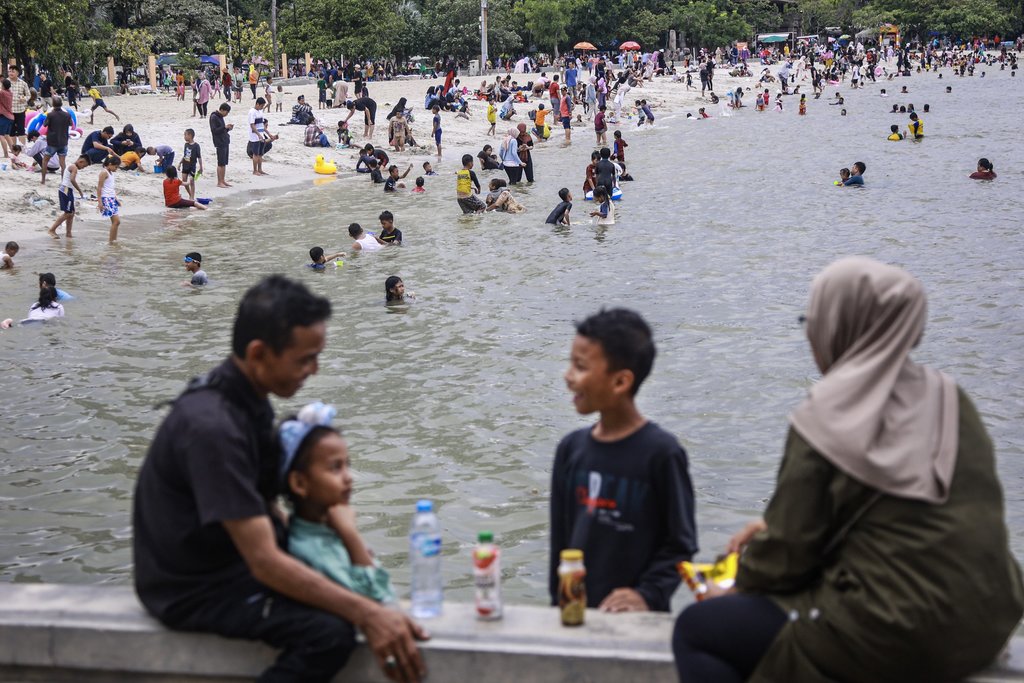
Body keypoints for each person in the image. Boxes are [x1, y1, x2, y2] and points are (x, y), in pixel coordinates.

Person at [673, 256, 1024, 683]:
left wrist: (733, 587)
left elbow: (787, 555)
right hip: (989, 618)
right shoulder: (949, 397)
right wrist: (770, 528)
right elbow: (908, 515)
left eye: (813, 321)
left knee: (698, 630)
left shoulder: (829, 410)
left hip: (898, 630)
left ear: (840, 326)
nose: (810, 335)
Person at [133, 276, 428, 683]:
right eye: (305, 359)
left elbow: (264, 506)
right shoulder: (213, 427)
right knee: (328, 633)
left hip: (227, 564)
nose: (314, 370)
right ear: (259, 354)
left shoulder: (245, 402)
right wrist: (369, 614)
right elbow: (264, 560)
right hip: (193, 589)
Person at [550, 308, 697, 613]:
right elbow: (560, 544)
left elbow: (680, 544)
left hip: (635, 621)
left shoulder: (662, 454)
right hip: (576, 613)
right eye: (570, 363)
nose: (568, 376)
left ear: (620, 382)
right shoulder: (570, 450)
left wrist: (647, 595)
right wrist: (558, 604)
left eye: (580, 366)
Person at [278, 402, 397, 605]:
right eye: (335, 468)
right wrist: (351, 535)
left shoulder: (326, 530)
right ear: (299, 483)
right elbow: (380, 599)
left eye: (347, 465)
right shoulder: (309, 549)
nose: (348, 477)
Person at [47, 155, 88, 238]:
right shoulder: (74, 167)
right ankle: (52, 229)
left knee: (71, 213)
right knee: (68, 213)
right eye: (84, 166)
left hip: (67, 190)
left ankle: (68, 233)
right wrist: (80, 191)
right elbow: (72, 179)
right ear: (81, 162)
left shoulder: (71, 166)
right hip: (65, 190)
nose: (83, 168)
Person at [39, 96, 72, 184]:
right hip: (63, 141)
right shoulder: (67, 114)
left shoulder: (51, 115)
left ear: (53, 105)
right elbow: (71, 123)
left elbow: (45, 124)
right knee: (63, 163)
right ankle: (63, 181)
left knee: (45, 161)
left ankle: (43, 180)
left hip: (52, 142)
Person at [247, 98, 277, 176]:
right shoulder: (252, 112)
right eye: (261, 106)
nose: (262, 107)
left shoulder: (260, 111)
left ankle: (260, 169)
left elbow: (262, 125)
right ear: (257, 104)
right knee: (256, 154)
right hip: (254, 136)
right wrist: (258, 134)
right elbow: (252, 125)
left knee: (260, 153)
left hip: (261, 135)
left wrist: (269, 134)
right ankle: (255, 170)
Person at [96, 155, 121, 243]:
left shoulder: (111, 173)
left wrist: (116, 199)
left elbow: (111, 188)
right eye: (116, 167)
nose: (116, 169)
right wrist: (100, 202)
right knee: (116, 221)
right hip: (106, 199)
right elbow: (99, 188)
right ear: (110, 164)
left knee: (116, 222)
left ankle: (113, 240)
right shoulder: (104, 172)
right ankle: (112, 241)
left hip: (111, 198)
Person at [210, 103, 233, 188]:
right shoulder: (214, 117)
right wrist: (225, 127)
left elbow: (222, 130)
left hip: (224, 141)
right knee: (220, 163)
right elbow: (214, 131)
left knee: (224, 163)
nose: (227, 114)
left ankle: (222, 180)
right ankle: (219, 182)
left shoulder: (220, 117)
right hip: (219, 142)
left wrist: (227, 128)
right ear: (222, 110)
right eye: (226, 112)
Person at [8, 66, 30, 144]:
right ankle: (13, 147)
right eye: (9, 71)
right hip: (9, 111)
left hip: (20, 109)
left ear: (17, 73)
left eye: (13, 71)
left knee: (21, 129)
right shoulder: (5, 82)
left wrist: (24, 99)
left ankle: (22, 147)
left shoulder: (23, 83)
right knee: (11, 130)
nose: (10, 73)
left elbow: (28, 95)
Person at [180, 128, 203, 200]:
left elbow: (199, 157)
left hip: (192, 166)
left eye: (185, 135)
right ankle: (190, 194)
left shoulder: (196, 146)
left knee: (191, 181)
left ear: (190, 135)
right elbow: (184, 155)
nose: (184, 137)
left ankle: (192, 197)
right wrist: (179, 163)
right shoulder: (186, 145)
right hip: (185, 165)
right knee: (184, 181)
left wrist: (201, 167)